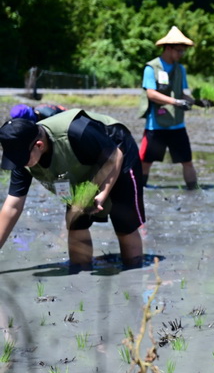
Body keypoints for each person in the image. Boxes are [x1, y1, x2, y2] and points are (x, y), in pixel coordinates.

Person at [0, 109, 146, 270]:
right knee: (76, 221)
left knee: (124, 221)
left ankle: (134, 270)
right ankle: (80, 268)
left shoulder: (77, 131)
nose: (19, 164)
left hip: (117, 151)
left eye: (21, 159)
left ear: (39, 145)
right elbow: (12, 206)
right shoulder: (22, 156)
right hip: (79, 164)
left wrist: (102, 193)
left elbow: (115, 156)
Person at [137, 26, 198, 190]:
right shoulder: (151, 68)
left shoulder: (180, 69)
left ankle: (193, 190)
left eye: (183, 51)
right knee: (145, 161)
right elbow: (151, 94)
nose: (181, 54)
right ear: (168, 48)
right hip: (155, 125)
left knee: (187, 161)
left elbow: (183, 94)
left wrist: (197, 101)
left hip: (177, 125)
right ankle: (139, 190)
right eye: (179, 51)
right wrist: (176, 102)